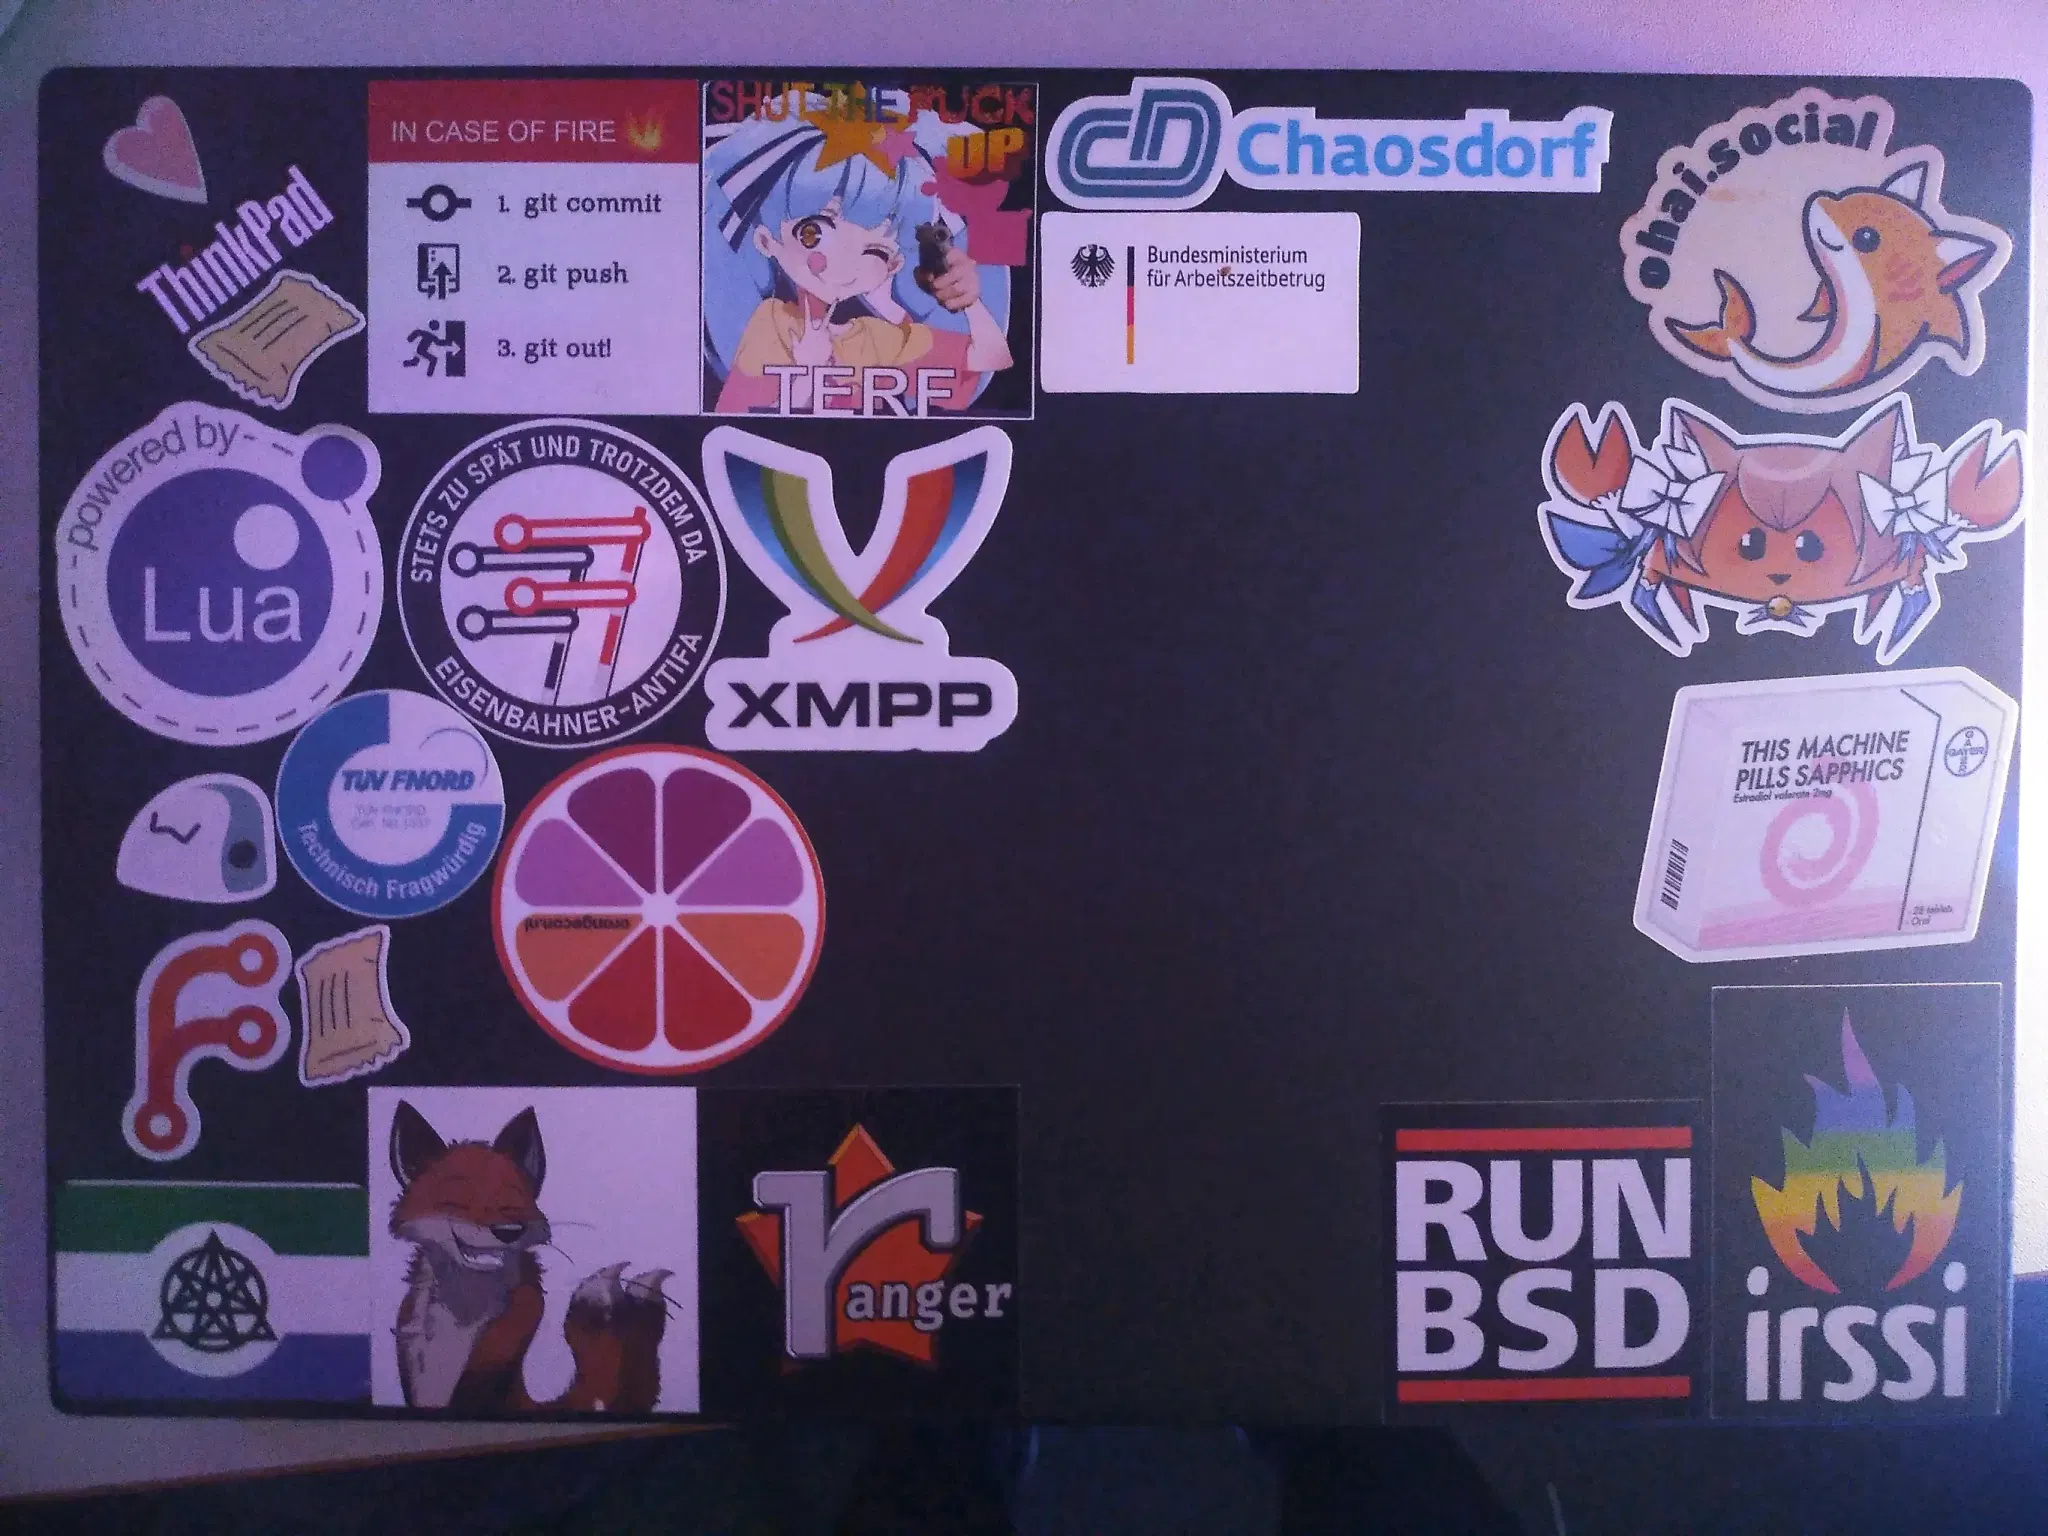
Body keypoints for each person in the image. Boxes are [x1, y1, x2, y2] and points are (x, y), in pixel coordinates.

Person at [703, 103, 1014, 415]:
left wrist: (970, 302)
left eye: (874, 251)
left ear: (892, 265)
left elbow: (992, 358)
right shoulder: (772, 322)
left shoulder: (877, 336)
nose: (845, 262)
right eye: (814, 233)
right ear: (766, 241)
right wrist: (808, 371)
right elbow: (737, 418)